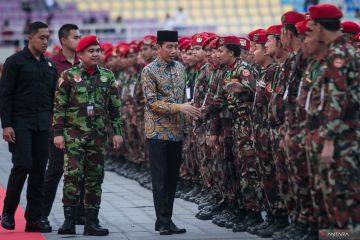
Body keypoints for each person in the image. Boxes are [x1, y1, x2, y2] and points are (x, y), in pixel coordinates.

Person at [53, 35, 123, 236]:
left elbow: (115, 108)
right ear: (80, 54)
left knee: (95, 178)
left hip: (98, 136)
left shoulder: (107, 77)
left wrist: (117, 132)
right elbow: (59, 107)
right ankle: (69, 221)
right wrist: (58, 134)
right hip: (74, 136)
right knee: (72, 176)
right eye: (91, 51)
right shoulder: (68, 75)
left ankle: (92, 222)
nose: (96, 54)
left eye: (98, 51)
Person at [141, 30, 201, 235]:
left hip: (176, 131)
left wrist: (188, 111)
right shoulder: (149, 71)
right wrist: (179, 108)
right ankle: (163, 221)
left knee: (172, 178)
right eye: (169, 47)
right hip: (158, 131)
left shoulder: (180, 69)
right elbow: (152, 103)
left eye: (176, 47)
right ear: (158, 48)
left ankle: (166, 219)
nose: (174, 51)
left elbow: (185, 96)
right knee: (159, 179)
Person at [0, 21, 57, 233]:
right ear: (30, 37)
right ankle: (8, 211)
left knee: (39, 170)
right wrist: (6, 125)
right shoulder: (14, 62)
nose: (45, 41)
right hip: (20, 122)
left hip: (43, 124)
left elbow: (53, 98)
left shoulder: (49, 66)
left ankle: (34, 217)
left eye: (47, 38)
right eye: (41, 37)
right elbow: (5, 96)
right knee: (22, 164)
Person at [41, 23, 82, 227]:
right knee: (55, 171)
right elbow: (49, 98)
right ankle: (42, 213)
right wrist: (55, 128)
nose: (79, 40)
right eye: (75, 37)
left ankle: (81, 214)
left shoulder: (83, 63)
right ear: (64, 40)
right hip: (60, 127)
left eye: (80, 36)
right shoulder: (52, 65)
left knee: (81, 170)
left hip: (82, 128)